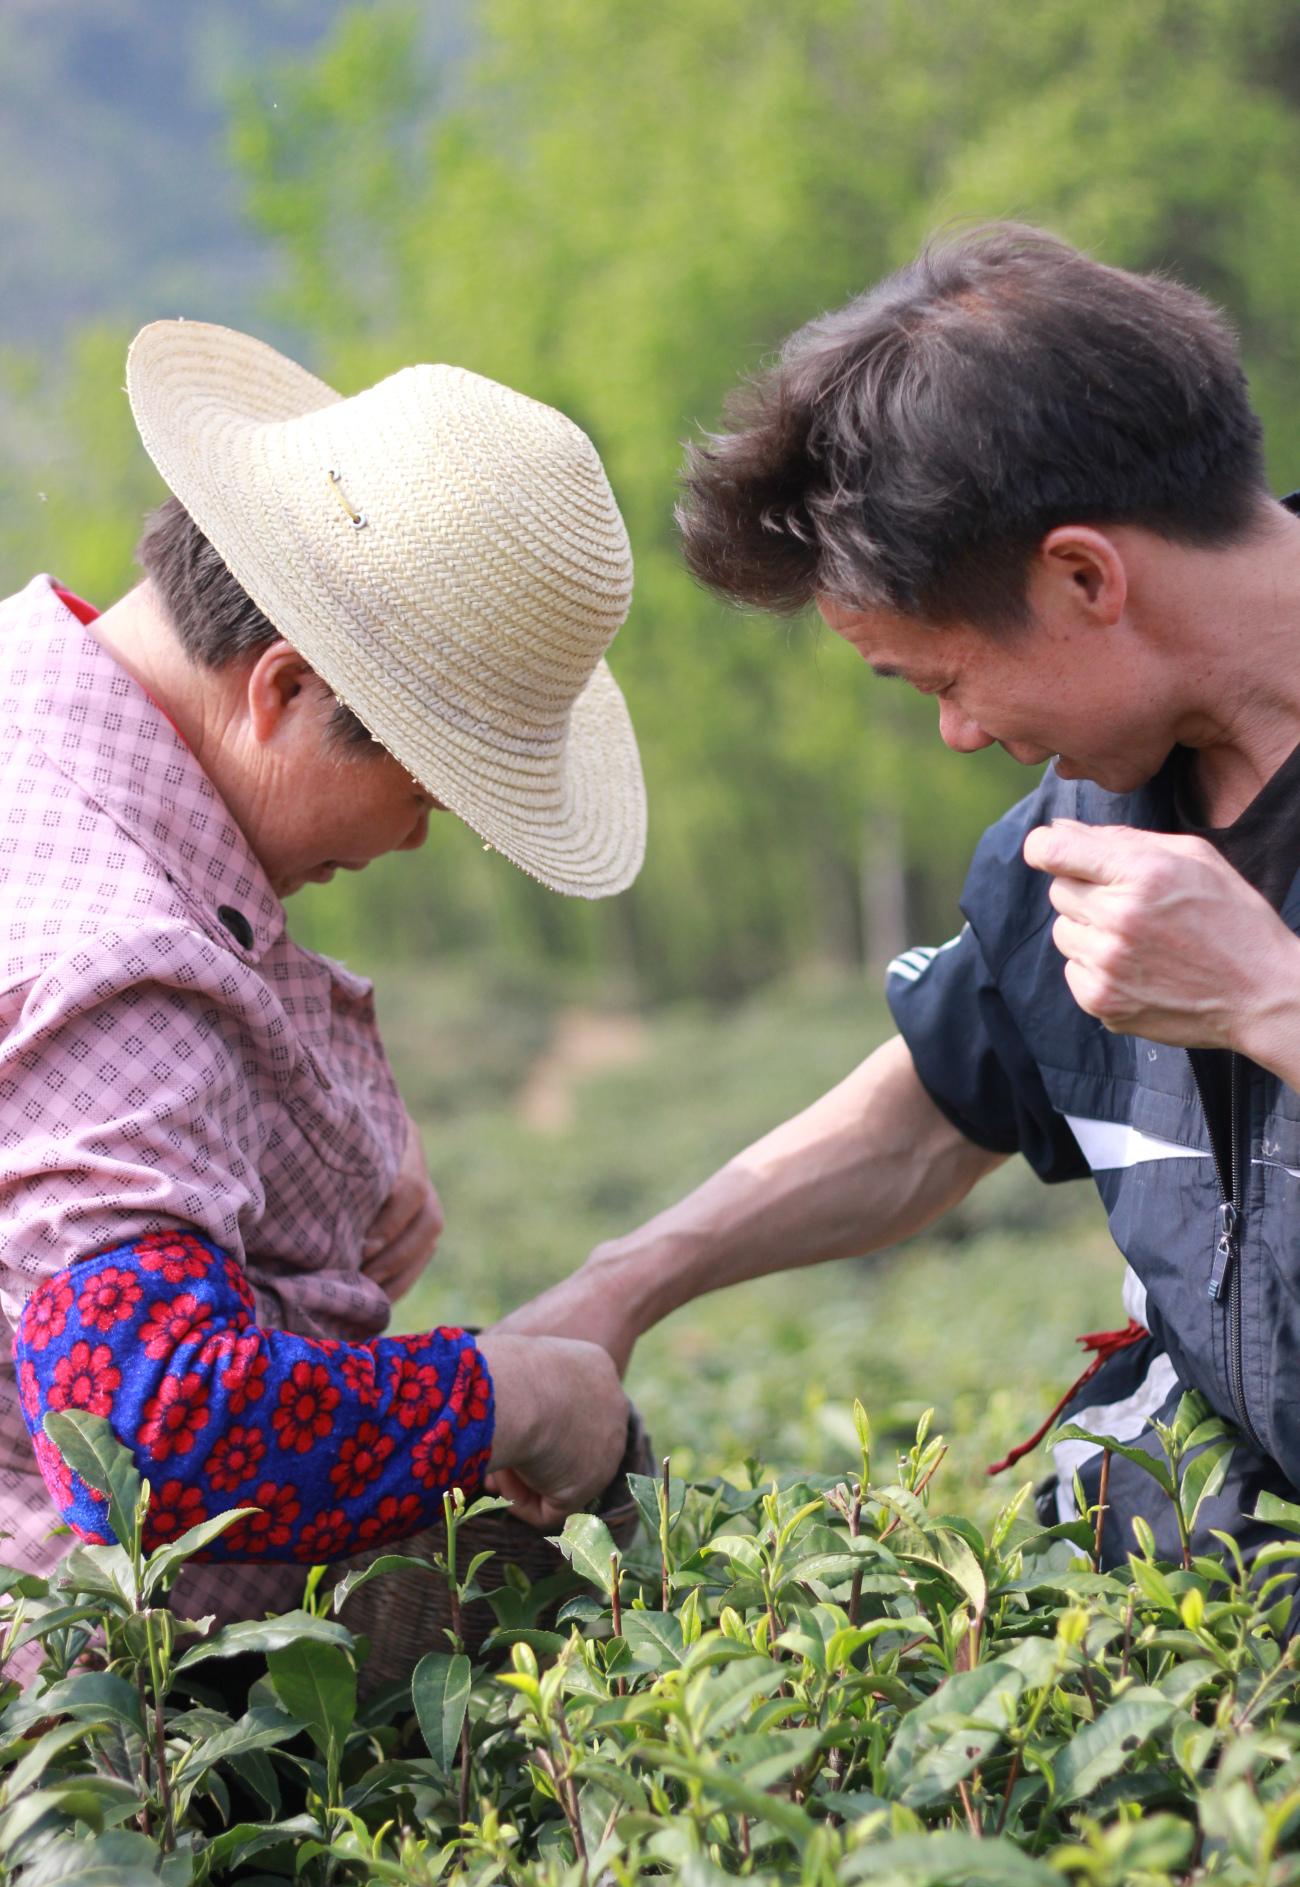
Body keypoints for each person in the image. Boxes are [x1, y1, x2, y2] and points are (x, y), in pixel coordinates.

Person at [490, 223, 1300, 1575]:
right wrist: (621, 1285)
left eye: (946, 682)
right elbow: (934, 1111)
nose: (961, 737)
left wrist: (1270, 998)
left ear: (1085, 577)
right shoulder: (1090, 816)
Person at [4, 321, 641, 1679]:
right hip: (111, 1756)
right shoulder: (116, 963)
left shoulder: (37, 698)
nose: (413, 837)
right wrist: (510, 1393)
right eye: (422, 784)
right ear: (286, 690)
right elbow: (146, 1426)